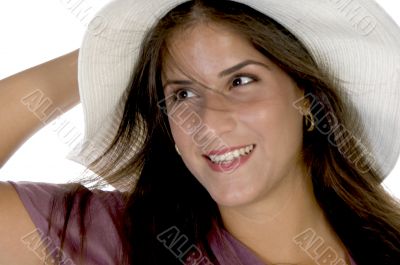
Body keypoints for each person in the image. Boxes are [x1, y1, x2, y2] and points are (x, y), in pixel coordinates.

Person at [1, 0, 400, 264]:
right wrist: (106, 56)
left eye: (241, 81)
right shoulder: (121, 240)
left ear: (308, 102)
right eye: (183, 93)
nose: (208, 121)